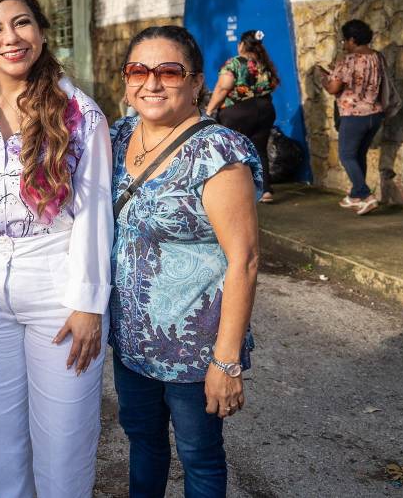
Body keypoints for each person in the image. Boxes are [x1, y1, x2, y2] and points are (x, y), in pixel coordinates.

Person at [0, 0, 113, 498]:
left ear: (41, 31)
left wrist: (88, 304)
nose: (10, 38)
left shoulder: (80, 111)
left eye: (21, 23)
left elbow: (96, 211)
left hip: (59, 283)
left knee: (64, 442)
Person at [110, 25, 262, 498]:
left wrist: (226, 361)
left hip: (195, 349)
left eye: (169, 72)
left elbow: (245, 260)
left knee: (199, 456)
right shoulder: (116, 136)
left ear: (196, 82)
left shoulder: (218, 152)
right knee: (143, 441)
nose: (152, 83)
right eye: (139, 70)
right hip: (131, 341)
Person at [316, 19, 385, 216]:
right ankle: (355, 196)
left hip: (354, 115)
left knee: (346, 156)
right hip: (374, 114)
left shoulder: (348, 60)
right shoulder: (377, 57)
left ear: (353, 40)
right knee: (358, 154)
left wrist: (324, 78)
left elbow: (333, 88)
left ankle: (366, 195)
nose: (344, 44)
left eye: (344, 40)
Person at [204, 29, 279, 202]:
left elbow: (223, 87)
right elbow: (272, 85)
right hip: (265, 109)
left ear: (242, 45)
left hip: (238, 112)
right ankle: (265, 191)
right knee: (260, 150)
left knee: (233, 151)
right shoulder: (264, 64)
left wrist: (209, 110)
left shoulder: (235, 63)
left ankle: (235, 191)